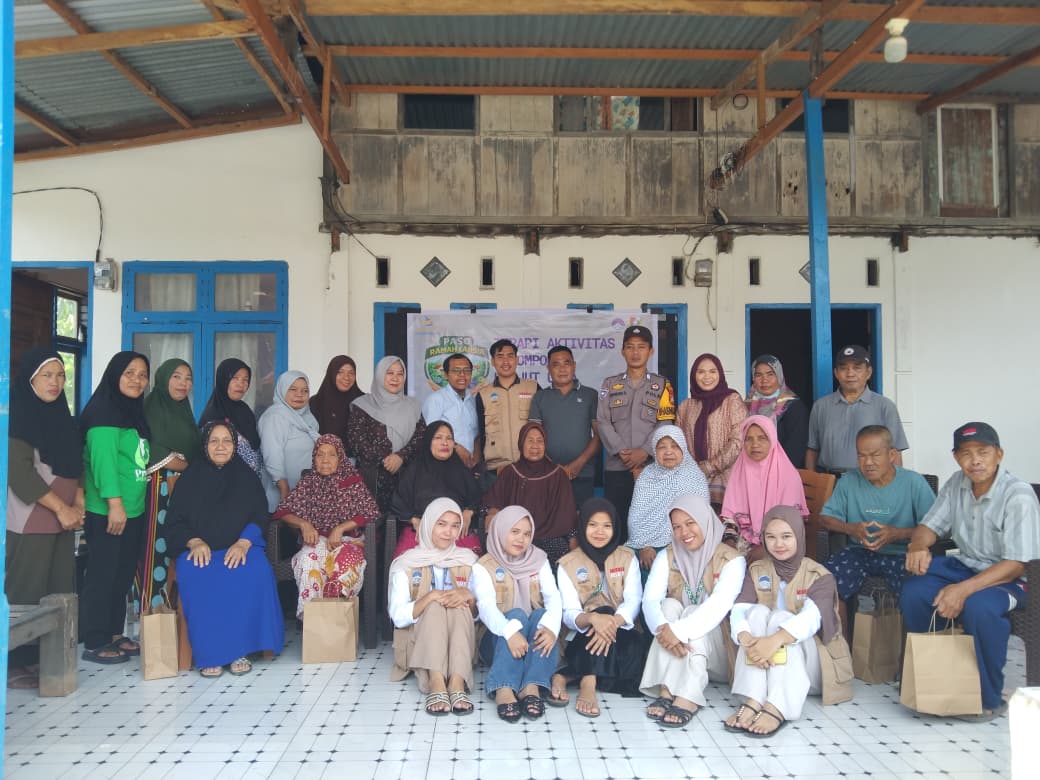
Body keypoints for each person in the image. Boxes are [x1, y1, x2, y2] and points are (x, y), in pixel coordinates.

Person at [901, 422, 1040, 721]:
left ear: (999, 454)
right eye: (966, 453)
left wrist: (962, 590)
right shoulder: (957, 483)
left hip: (1014, 579)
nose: (975, 460)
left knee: (980, 607)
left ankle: (988, 698)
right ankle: (937, 681)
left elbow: (1017, 564)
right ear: (956, 457)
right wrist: (918, 546)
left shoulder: (1018, 495)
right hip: (966, 566)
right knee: (915, 592)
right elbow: (928, 526)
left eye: (983, 452)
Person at [165, 421, 285, 678]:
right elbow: (174, 522)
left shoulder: (246, 477)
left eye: (227, 441)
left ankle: (241, 650)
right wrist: (193, 541)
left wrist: (244, 542)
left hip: (239, 546)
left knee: (256, 570)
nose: (221, 447)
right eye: (214, 441)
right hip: (201, 550)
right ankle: (211, 653)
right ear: (205, 445)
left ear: (235, 446)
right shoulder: (190, 479)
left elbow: (259, 515)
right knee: (198, 571)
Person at [725, 506, 853, 737]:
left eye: (786, 536)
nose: (778, 544)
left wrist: (773, 641)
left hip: (813, 668)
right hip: (765, 665)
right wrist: (745, 637)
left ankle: (778, 706)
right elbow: (739, 610)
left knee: (781, 618)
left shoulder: (820, 575)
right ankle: (754, 698)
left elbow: (811, 619)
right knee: (756, 613)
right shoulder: (757, 570)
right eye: (771, 537)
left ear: (799, 535)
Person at [6, 349, 85, 688]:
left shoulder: (62, 418)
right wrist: (62, 508)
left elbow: (76, 463)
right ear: (30, 379)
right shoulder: (18, 420)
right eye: (47, 375)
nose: (55, 382)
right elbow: (20, 474)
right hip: (32, 520)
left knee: (58, 587)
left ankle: (47, 660)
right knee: (27, 588)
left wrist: (78, 500)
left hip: (64, 521)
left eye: (60, 375)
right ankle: (15, 663)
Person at [640, 495, 746, 728]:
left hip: (719, 653)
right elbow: (650, 601)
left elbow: (719, 605)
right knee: (668, 605)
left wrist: (676, 632)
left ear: (705, 520)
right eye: (676, 526)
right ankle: (667, 690)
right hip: (676, 645)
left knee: (694, 612)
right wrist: (665, 632)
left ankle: (688, 697)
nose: (683, 532)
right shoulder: (668, 555)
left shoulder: (731, 560)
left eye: (690, 523)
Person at [79, 351, 151, 664]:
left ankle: (113, 633)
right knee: (102, 574)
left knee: (121, 575)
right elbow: (103, 464)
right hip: (109, 510)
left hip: (133, 508)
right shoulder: (103, 411)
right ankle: (95, 640)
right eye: (129, 373)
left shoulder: (132, 412)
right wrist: (115, 504)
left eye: (143, 375)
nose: (137, 380)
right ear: (115, 375)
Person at [821, 425, 935, 602]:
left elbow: (935, 527)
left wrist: (898, 534)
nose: (868, 462)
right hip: (859, 552)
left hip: (903, 554)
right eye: (861, 455)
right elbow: (826, 518)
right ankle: (838, 622)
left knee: (918, 591)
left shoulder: (913, 482)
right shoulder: (849, 481)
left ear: (891, 455)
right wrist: (851, 529)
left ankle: (906, 621)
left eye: (875, 455)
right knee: (827, 585)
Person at [272, 434, 380, 619]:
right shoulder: (308, 483)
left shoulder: (352, 482)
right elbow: (283, 511)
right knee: (308, 559)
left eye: (331, 455)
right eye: (320, 454)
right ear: (314, 458)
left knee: (345, 563)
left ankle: (335, 618)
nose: (325, 460)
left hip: (348, 540)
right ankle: (312, 620)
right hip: (318, 540)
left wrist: (340, 528)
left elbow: (371, 512)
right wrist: (303, 524)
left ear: (340, 458)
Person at [388, 498, 478, 716]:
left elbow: (479, 615)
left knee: (458, 604)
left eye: (455, 526)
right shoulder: (406, 563)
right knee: (435, 606)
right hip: (418, 641)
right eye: (441, 524)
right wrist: (429, 598)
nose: (448, 532)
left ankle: (457, 682)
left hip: (459, 642)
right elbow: (398, 616)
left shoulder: (468, 560)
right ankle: (436, 681)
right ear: (428, 524)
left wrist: (468, 597)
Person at [473, 505, 563, 723]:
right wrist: (510, 631)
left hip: (532, 640)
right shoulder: (483, 566)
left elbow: (553, 597)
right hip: (495, 642)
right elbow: (486, 607)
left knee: (542, 615)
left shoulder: (539, 559)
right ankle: (503, 687)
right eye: (514, 531)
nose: (521, 539)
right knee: (517, 616)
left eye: (527, 534)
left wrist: (551, 628)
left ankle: (530, 687)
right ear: (500, 530)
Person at [556, 498, 645, 717]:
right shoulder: (568, 563)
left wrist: (610, 622)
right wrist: (593, 619)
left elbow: (633, 600)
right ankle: (589, 682)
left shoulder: (627, 557)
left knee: (634, 651)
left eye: (607, 525)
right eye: (593, 524)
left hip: (619, 629)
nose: (600, 532)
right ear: (583, 525)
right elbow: (569, 613)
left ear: (615, 528)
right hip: (581, 636)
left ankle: (567, 676)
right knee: (601, 612)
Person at [596, 325, 676, 523]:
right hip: (617, 468)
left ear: (651, 351)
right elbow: (603, 421)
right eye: (630, 347)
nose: (635, 352)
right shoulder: (609, 384)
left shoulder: (662, 385)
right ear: (622, 351)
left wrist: (645, 451)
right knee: (617, 523)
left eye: (641, 347)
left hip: (651, 467)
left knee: (651, 521)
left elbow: (665, 421)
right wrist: (622, 451)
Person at [138, 358, 199, 612]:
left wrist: (185, 464)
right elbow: (146, 447)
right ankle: (152, 614)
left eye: (188, 378)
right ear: (163, 378)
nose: (183, 383)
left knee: (180, 547)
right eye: (176, 376)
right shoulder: (149, 408)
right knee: (155, 549)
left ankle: (176, 614)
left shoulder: (184, 412)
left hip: (183, 490)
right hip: (157, 489)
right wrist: (181, 463)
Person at [481, 422, 578, 569]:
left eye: (540, 441)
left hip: (550, 540)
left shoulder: (558, 474)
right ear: (521, 444)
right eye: (530, 440)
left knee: (558, 552)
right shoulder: (510, 472)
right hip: (515, 538)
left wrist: (574, 547)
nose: (535, 446)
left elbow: (568, 515)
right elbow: (491, 504)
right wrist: (492, 516)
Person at [805, 345, 908, 475]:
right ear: (836, 373)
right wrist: (812, 481)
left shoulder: (885, 406)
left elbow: (895, 452)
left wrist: (895, 484)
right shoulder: (821, 406)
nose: (850, 374)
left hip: (870, 480)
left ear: (868, 372)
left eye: (857, 368)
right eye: (844, 368)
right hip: (830, 480)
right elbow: (812, 449)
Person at [390, 421, 482, 557]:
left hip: (455, 534)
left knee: (469, 564)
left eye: (449, 438)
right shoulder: (415, 470)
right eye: (438, 438)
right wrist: (413, 519)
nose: (445, 443)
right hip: (421, 533)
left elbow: (477, 497)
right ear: (428, 442)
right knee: (409, 565)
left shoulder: (460, 470)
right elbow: (399, 503)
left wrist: (469, 511)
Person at [720, 416, 808, 558]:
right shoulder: (738, 472)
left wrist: (766, 547)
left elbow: (791, 524)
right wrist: (729, 541)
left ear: (772, 439)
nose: (755, 444)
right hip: (744, 541)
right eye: (748, 439)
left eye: (762, 438)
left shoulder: (788, 475)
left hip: (781, 544)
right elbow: (730, 516)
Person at [347, 356, 425, 511]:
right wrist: (386, 460)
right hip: (372, 479)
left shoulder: (413, 406)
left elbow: (421, 436)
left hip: (406, 477)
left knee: (404, 521)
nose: (395, 378)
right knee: (371, 523)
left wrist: (400, 457)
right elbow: (356, 441)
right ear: (380, 375)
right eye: (390, 373)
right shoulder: (363, 405)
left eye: (400, 373)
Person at [626, 425, 709, 572]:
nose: (668, 452)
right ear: (654, 450)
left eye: (675, 446)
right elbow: (636, 515)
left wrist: (678, 546)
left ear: (683, 448)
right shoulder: (647, 476)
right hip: (648, 545)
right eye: (662, 447)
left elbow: (702, 520)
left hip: (685, 542)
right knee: (636, 567)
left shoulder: (694, 477)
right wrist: (644, 546)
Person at [528, 345, 601, 507]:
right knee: (549, 517)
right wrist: (553, 467)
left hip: (582, 472)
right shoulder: (540, 397)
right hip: (547, 473)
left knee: (581, 517)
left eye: (566, 363)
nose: (562, 369)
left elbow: (599, 435)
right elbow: (533, 438)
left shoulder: (590, 395)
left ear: (574, 365)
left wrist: (579, 463)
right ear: (548, 369)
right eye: (556, 364)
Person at [676, 353, 747, 506]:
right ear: (693, 375)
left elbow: (738, 441)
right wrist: (692, 470)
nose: (707, 376)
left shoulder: (732, 401)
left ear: (720, 374)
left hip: (727, 481)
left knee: (725, 520)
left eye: (712, 371)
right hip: (692, 482)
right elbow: (678, 444)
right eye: (701, 372)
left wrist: (709, 467)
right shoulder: (685, 406)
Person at [475, 339, 539, 484]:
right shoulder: (483, 394)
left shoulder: (533, 388)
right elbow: (481, 432)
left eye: (510, 356)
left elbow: (543, 427)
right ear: (492, 361)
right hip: (496, 470)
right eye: (500, 357)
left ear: (517, 360)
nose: (505, 361)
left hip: (529, 466)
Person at [259, 370, 320, 511]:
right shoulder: (275, 417)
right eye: (293, 389)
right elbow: (272, 453)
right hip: (283, 494)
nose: (299, 394)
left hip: (303, 493)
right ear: (282, 389)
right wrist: (283, 487)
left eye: (305, 391)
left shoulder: (307, 418)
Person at [199, 358, 265, 476]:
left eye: (245, 380)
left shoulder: (245, 410)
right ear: (223, 380)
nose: (241, 384)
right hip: (225, 481)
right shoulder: (213, 416)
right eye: (235, 378)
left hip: (252, 481)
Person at [746, 355, 809, 468]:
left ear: (779, 375)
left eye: (770, 374)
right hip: (750, 469)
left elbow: (795, 449)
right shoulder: (746, 405)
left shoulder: (793, 406)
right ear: (753, 378)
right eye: (758, 375)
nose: (764, 380)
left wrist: (774, 470)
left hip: (781, 470)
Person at [421, 353, 479, 470]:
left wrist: (476, 458)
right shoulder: (436, 400)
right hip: (444, 466)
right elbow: (429, 435)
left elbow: (476, 435)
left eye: (466, 370)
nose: (462, 375)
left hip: (470, 467)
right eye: (456, 370)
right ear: (446, 374)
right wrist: (456, 447)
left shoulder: (473, 401)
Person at [309, 355, 364, 443]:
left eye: (351, 373)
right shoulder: (315, 403)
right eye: (340, 372)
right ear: (332, 373)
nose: (346, 377)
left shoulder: (363, 402)